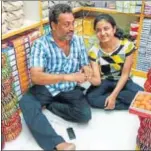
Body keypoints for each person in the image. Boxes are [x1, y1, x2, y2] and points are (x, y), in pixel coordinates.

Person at [19, 4, 92, 150]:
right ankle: (57, 143)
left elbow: (85, 64)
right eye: (66, 24)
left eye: (73, 23)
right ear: (53, 25)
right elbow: (36, 76)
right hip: (48, 87)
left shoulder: (77, 41)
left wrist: (87, 71)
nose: (72, 28)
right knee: (26, 102)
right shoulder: (41, 44)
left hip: (70, 89)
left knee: (84, 115)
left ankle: (51, 106)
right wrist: (66, 77)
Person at [87, 14, 143, 110]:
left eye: (106, 28)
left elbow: (125, 75)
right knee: (91, 98)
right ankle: (125, 102)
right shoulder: (94, 51)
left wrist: (113, 96)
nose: (102, 33)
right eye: (98, 30)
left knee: (141, 94)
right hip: (105, 81)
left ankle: (109, 99)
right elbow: (97, 81)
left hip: (123, 80)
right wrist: (87, 75)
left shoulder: (127, 46)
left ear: (114, 29)